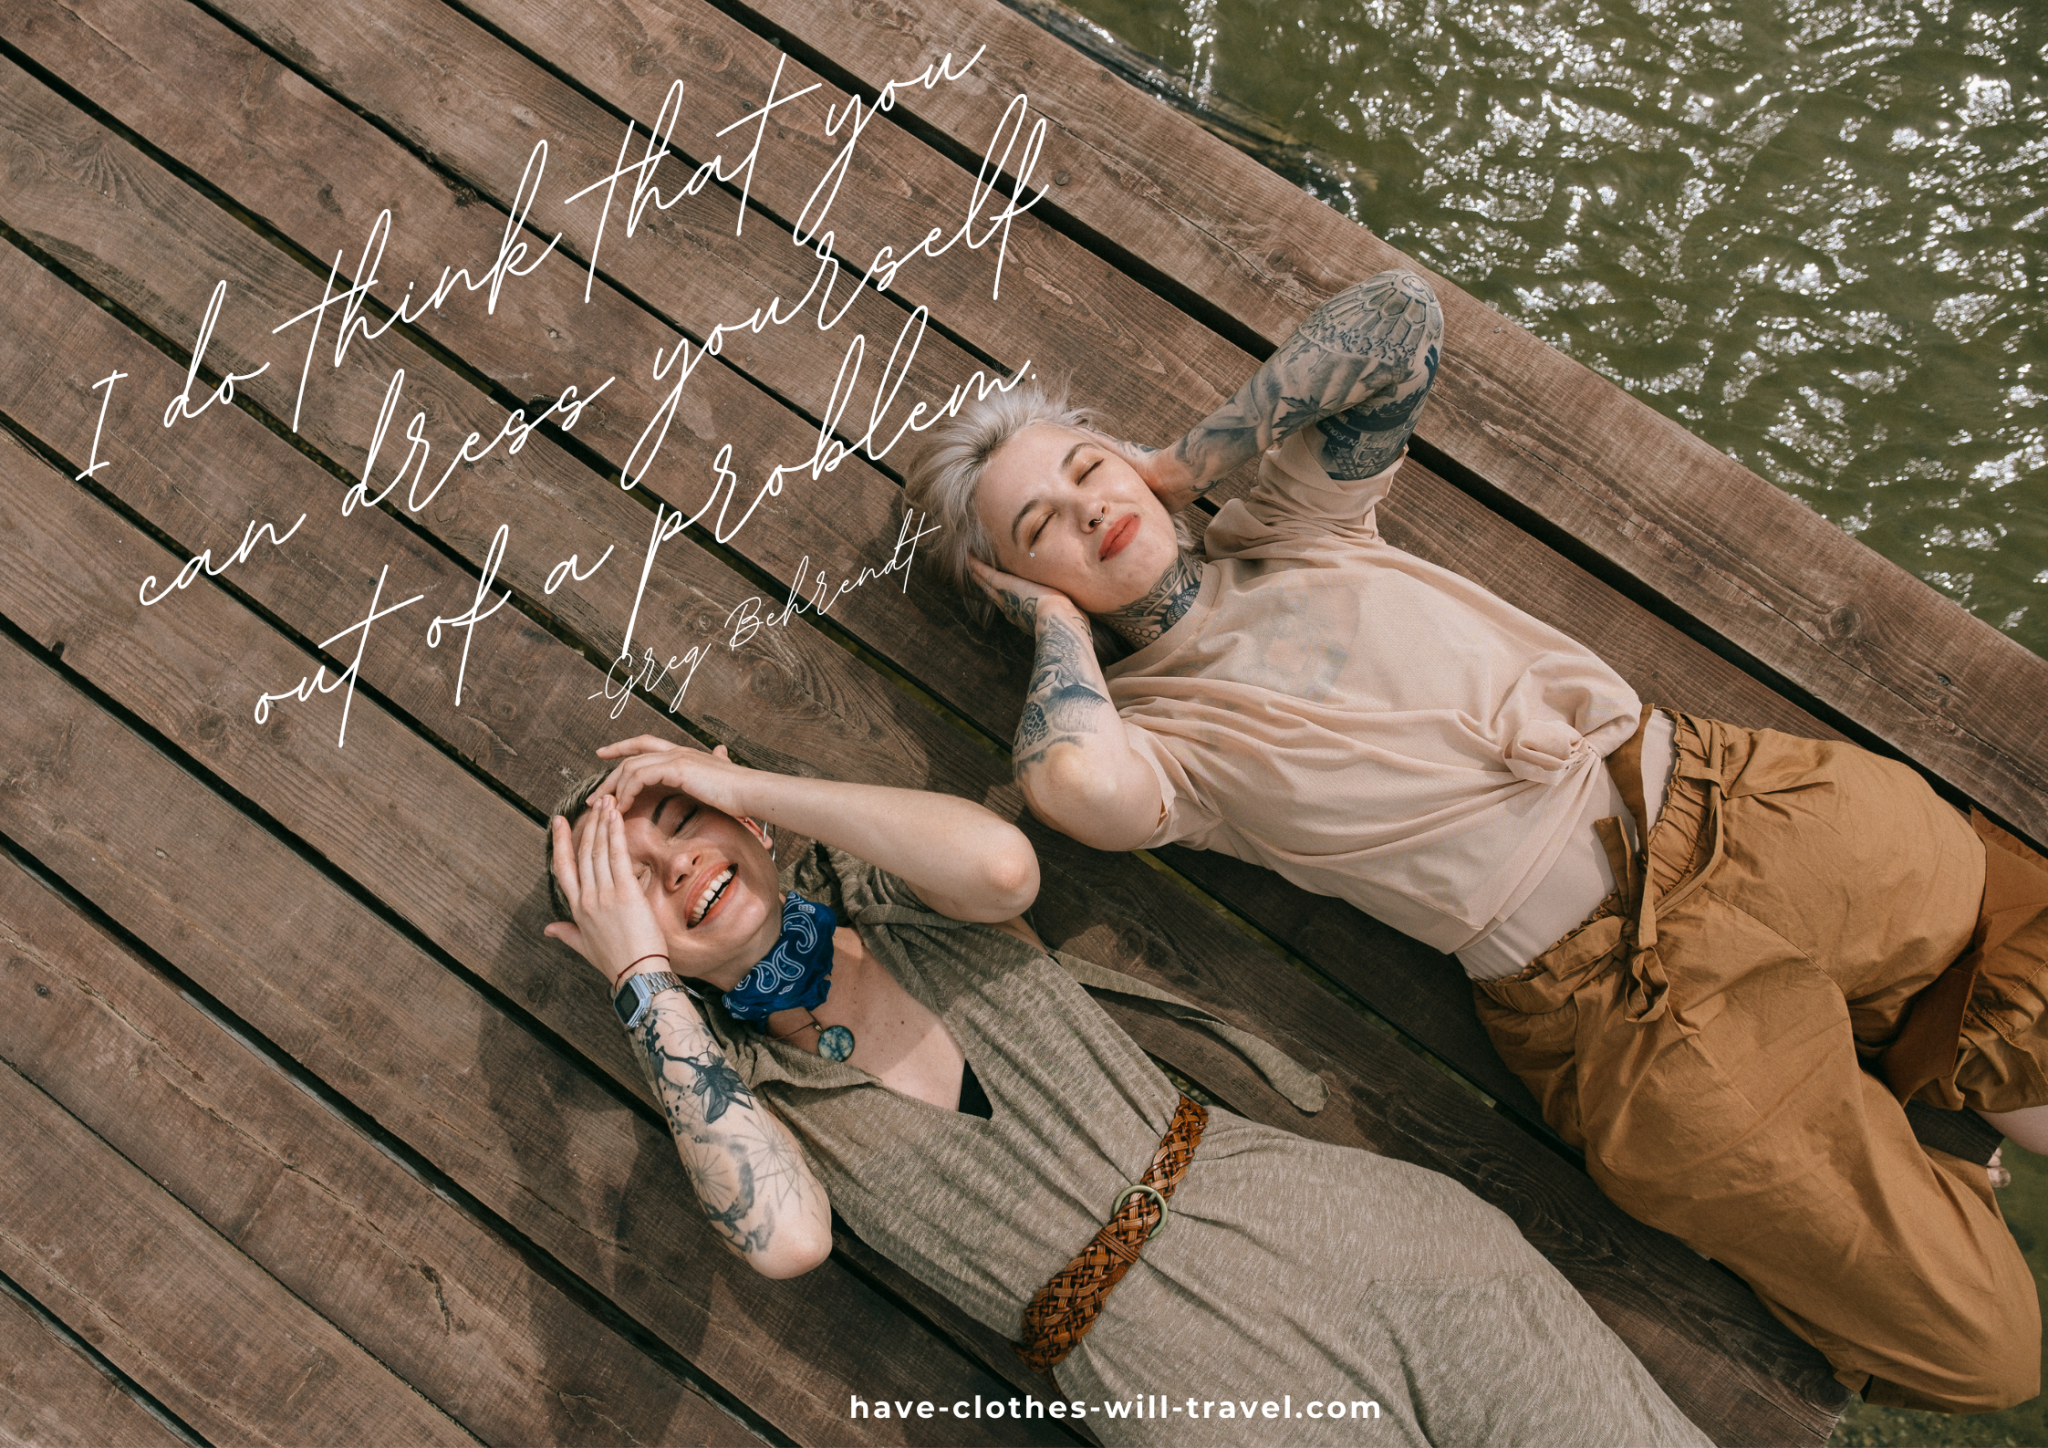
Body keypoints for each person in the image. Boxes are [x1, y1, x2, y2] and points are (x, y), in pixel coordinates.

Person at [902, 268, 2048, 1413]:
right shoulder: (1161, 743)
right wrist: (1055, 621)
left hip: (1724, 796)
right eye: (1035, 525)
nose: (1083, 506)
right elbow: (1070, 781)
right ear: (1010, 587)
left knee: (1997, 940)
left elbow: (1398, 321)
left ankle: (1927, 1071)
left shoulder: (1288, 524)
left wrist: (1184, 461)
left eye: (1082, 467)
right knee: (1989, 1349)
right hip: (1627, 1006)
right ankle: (1920, 1107)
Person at [542, 734, 1709, 1446]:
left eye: (681, 821)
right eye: (632, 880)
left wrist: (736, 781)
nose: (677, 862)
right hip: (1170, 1374)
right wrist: (646, 982)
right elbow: (785, 1240)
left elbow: (1002, 867)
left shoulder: (880, 888)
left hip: (1349, 1229)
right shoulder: (740, 1091)